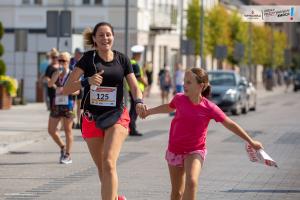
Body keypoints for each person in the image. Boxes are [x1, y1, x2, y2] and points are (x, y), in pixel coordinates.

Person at [143, 67, 263, 200]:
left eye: (189, 82)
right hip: (175, 149)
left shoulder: (209, 107)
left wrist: (251, 141)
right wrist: (149, 112)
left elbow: (230, 124)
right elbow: (168, 107)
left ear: (201, 86)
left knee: (192, 182)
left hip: (195, 150)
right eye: (184, 81)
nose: (184, 85)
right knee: (177, 193)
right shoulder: (179, 99)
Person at [62, 22, 146, 200]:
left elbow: (134, 86)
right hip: (91, 118)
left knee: (108, 162)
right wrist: (87, 81)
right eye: (100, 35)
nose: (105, 38)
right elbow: (67, 88)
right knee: (102, 169)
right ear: (94, 38)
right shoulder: (87, 59)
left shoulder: (122, 59)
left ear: (113, 37)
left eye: (108, 34)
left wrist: (138, 101)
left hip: (117, 116)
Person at [47, 52, 77, 164]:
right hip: (57, 104)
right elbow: (50, 85)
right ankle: (63, 146)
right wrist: (55, 77)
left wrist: (67, 91)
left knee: (68, 130)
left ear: (69, 62)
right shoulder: (56, 73)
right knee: (51, 130)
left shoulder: (73, 74)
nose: (61, 63)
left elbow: (78, 90)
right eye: (59, 60)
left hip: (68, 105)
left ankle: (68, 155)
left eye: (63, 61)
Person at [128, 45, 148, 136]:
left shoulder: (130, 62)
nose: (140, 57)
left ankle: (130, 127)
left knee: (133, 108)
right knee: (135, 109)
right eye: (140, 55)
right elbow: (139, 77)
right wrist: (146, 83)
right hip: (136, 90)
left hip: (131, 89)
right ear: (137, 55)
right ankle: (132, 128)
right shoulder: (134, 64)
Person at [70, 48, 84, 129]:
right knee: (73, 104)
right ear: (75, 53)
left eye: (81, 53)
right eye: (79, 53)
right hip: (72, 85)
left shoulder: (83, 61)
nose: (80, 55)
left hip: (81, 85)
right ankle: (72, 121)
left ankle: (79, 121)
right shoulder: (71, 61)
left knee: (79, 104)